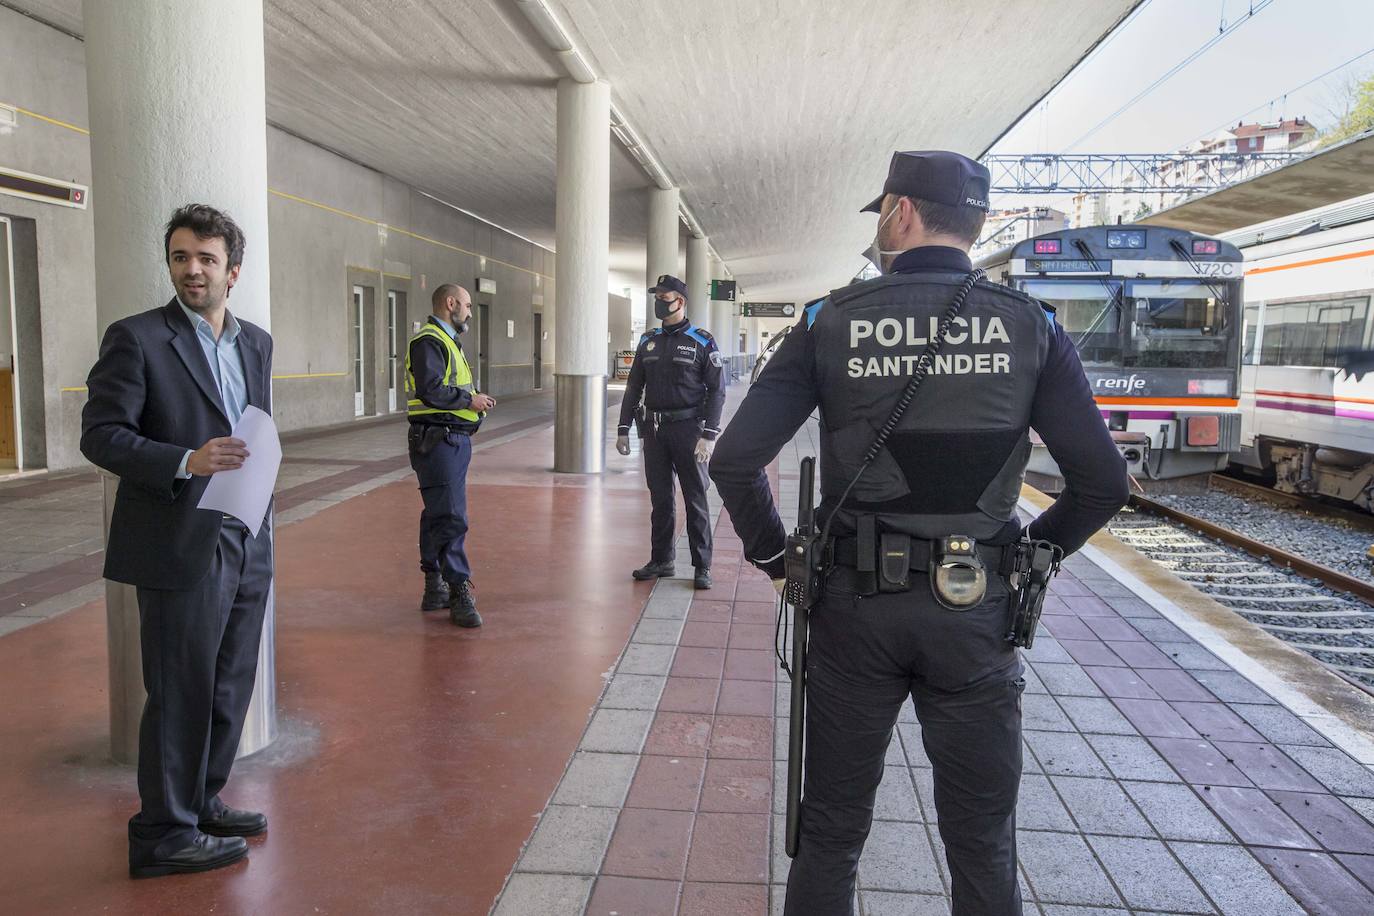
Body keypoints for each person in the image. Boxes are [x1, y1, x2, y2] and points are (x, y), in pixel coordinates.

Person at [709, 151, 1129, 916]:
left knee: (830, 831)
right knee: (981, 837)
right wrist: (1026, 562)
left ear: (900, 212)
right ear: (978, 224)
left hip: (853, 613)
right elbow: (1102, 485)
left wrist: (777, 561)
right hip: (976, 614)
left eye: (881, 214)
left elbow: (736, 462)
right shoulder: (1030, 327)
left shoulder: (828, 320)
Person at [81, 204, 275, 878]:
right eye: (180, 257)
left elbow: (256, 427)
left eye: (206, 258)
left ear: (233, 271)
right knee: (180, 687)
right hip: (175, 534)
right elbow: (101, 434)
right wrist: (184, 460)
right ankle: (162, 832)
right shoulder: (136, 339)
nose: (191, 269)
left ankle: (201, 800)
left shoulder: (256, 342)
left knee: (228, 682)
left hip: (243, 534)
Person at [616, 274, 725, 590]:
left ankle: (702, 565)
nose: (659, 302)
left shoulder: (702, 341)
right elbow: (635, 385)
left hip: (689, 431)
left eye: (664, 297)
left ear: (681, 301)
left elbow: (717, 390)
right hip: (654, 431)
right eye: (656, 297)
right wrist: (623, 428)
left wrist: (710, 435)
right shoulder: (647, 341)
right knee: (661, 498)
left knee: (695, 499)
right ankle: (662, 559)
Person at [405, 283, 494, 627]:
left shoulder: (445, 342)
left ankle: (434, 586)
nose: (469, 312)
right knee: (452, 516)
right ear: (450, 303)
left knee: (438, 512)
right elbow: (431, 390)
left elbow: (447, 387)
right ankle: (457, 590)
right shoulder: (430, 341)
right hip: (439, 441)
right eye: (468, 306)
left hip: (447, 441)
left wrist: (474, 401)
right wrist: (468, 400)